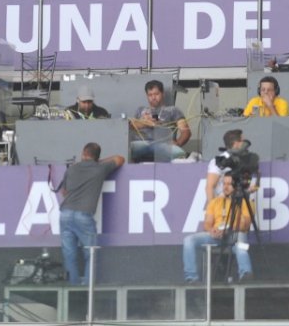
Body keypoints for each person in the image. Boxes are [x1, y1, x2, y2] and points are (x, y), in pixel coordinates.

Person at [58, 142, 123, 285]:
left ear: (83, 153)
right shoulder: (100, 168)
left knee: (69, 254)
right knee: (91, 253)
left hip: (65, 214)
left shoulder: (72, 168)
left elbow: (64, 192)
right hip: (84, 215)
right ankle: (88, 288)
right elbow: (120, 159)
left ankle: (73, 288)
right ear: (97, 156)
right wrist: (99, 162)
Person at [182, 176, 254, 283]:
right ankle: (191, 277)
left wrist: (227, 229)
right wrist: (212, 230)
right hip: (216, 236)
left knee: (241, 246)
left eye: (229, 184)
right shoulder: (214, 202)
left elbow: (245, 226)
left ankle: (245, 274)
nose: (225, 187)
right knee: (188, 240)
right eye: (224, 184)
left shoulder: (244, 202)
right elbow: (207, 224)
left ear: (236, 186)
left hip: (235, 235)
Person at [129, 80, 191, 162]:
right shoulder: (140, 110)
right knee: (129, 148)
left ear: (163, 94)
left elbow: (186, 132)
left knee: (174, 150)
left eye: (156, 94)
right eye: (150, 95)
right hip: (141, 145)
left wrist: (178, 143)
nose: (153, 97)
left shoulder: (173, 110)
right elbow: (129, 127)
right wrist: (144, 123)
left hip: (163, 145)